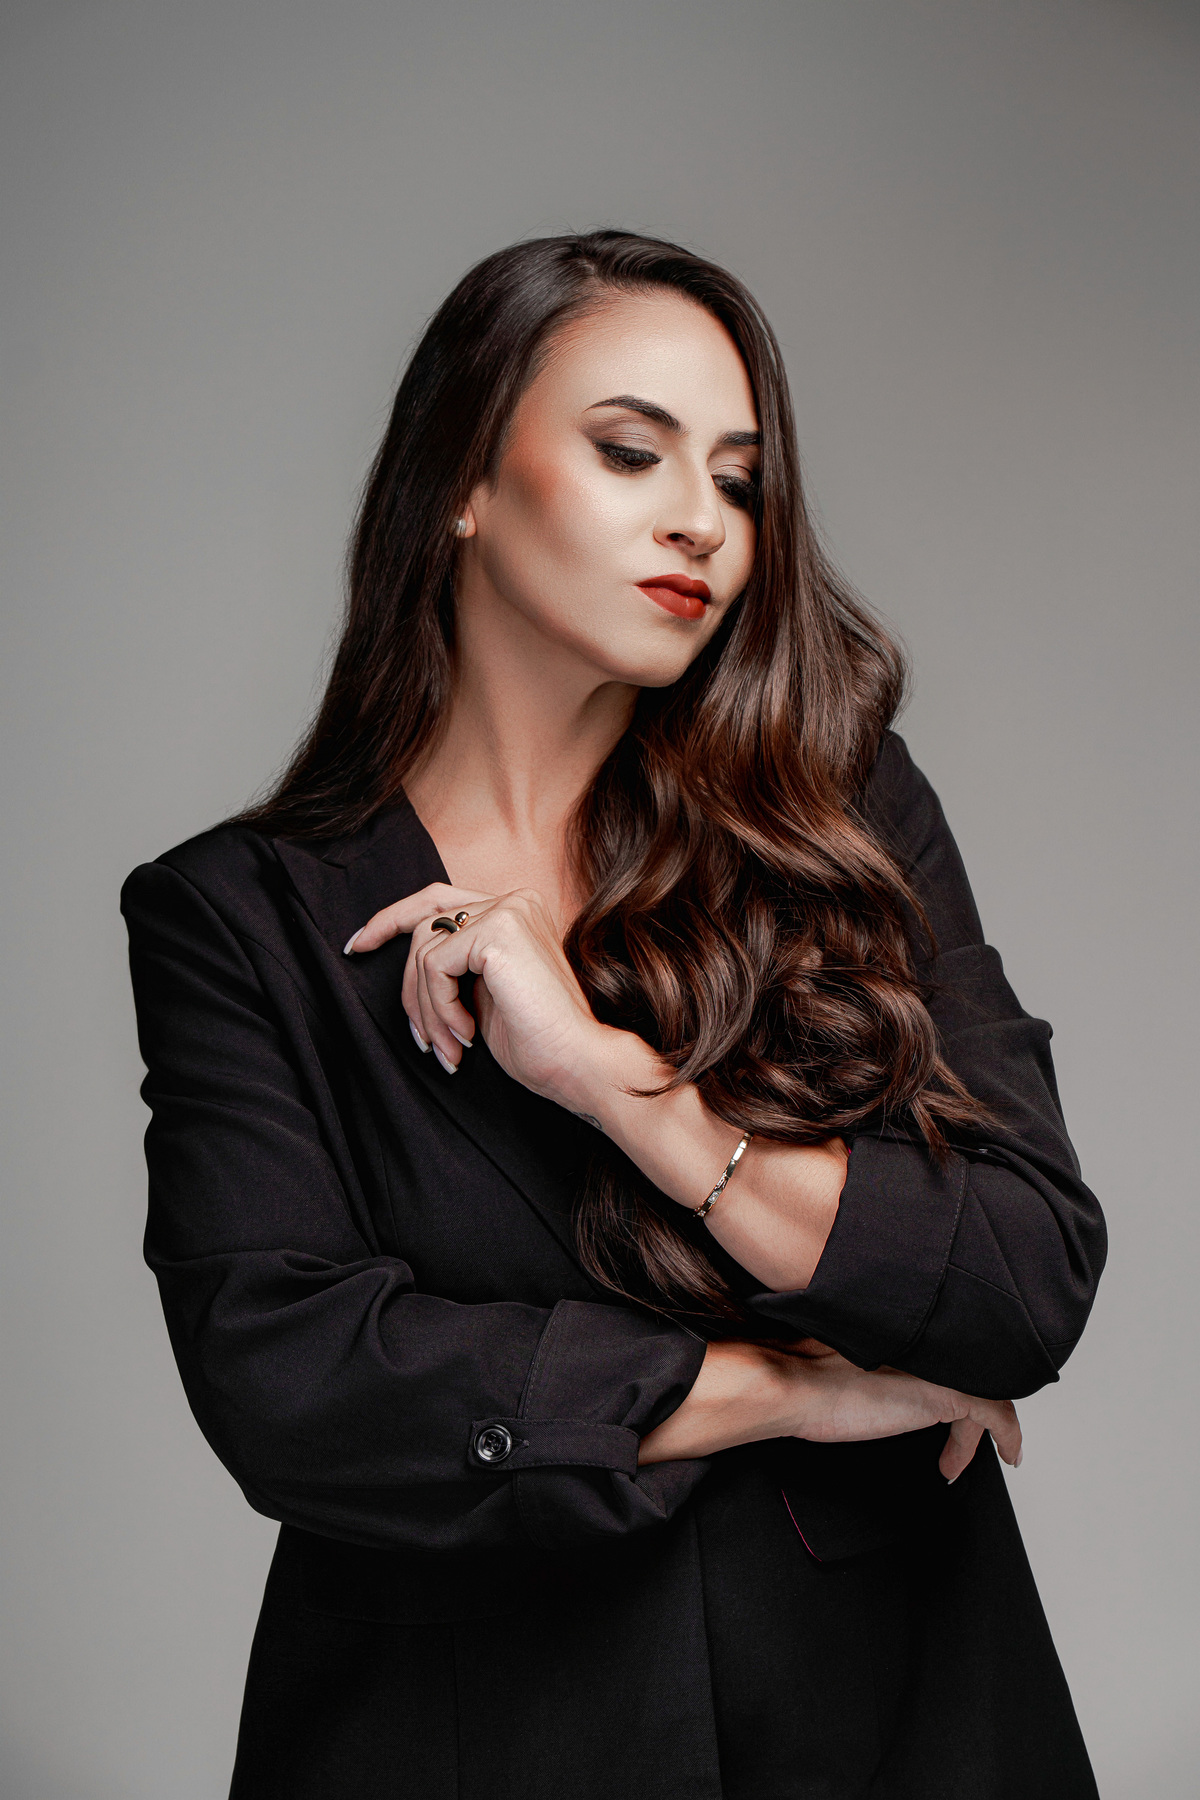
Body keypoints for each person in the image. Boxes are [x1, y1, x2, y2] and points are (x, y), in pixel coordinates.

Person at [120, 230, 1105, 1800]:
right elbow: (295, 1382)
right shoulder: (242, 917)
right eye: (631, 451)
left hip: (898, 1717)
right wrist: (790, 1388)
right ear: (463, 479)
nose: (701, 520)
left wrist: (613, 1085)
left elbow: (1021, 1274)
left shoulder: (840, 816)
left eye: (740, 481)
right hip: (462, 1740)